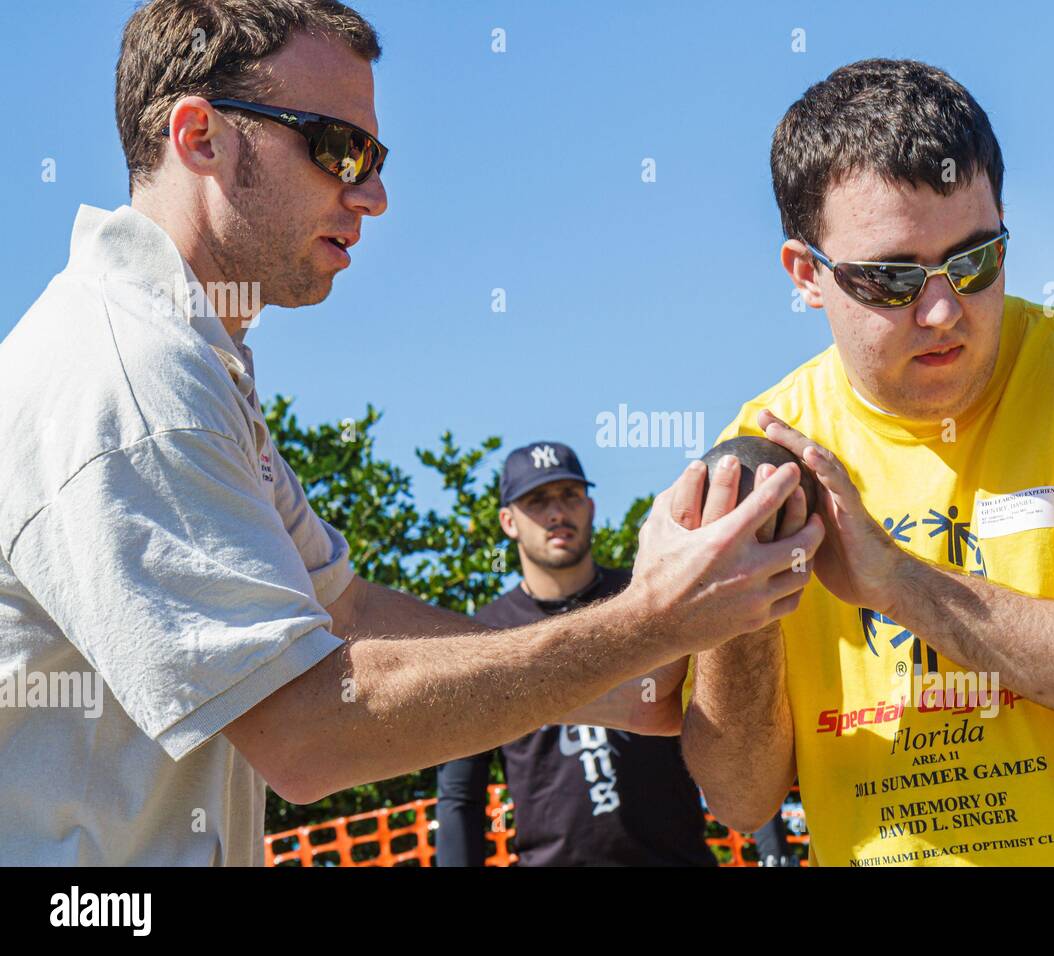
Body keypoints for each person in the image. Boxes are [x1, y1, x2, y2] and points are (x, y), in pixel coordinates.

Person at [0, 0, 822, 865]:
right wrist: (651, 622)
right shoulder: (132, 380)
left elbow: (349, 613)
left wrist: (618, 689)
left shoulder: (186, 357)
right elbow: (307, 732)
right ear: (199, 136)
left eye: (374, 155)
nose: (375, 193)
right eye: (338, 148)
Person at [680, 58, 1054, 867]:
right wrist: (738, 615)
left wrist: (900, 584)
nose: (941, 310)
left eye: (974, 261)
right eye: (891, 278)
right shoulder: (762, 451)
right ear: (806, 276)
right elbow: (741, 797)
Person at [436, 443, 715, 866]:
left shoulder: (647, 600)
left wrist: (773, 848)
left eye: (570, 495)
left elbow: (725, 712)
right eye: (537, 500)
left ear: (590, 506)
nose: (556, 513)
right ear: (508, 521)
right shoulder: (484, 636)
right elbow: (460, 792)